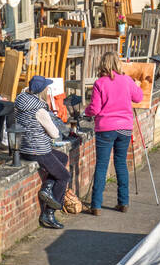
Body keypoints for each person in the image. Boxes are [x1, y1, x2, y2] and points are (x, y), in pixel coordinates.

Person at [85, 50, 143, 215]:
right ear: (118, 64)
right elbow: (138, 98)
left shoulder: (99, 83)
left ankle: (96, 205)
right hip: (124, 127)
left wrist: (86, 111)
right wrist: (136, 86)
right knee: (121, 164)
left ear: (103, 65)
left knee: (102, 166)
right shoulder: (126, 80)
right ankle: (123, 202)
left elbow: (94, 109)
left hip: (105, 128)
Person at [14, 74, 75, 230]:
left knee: (62, 157)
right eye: (47, 87)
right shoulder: (39, 109)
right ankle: (49, 213)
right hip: (38, 150)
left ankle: (47, 187)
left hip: (25, 147)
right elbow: (55, 134)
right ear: (42, 90)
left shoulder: (21, 101)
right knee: (64, 176)